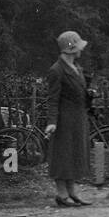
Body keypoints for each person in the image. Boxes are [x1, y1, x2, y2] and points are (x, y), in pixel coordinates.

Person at [44, 31, 92, 207]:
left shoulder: (77, 68)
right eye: (78, 46)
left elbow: (80, 92)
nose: (81, 50)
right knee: (62, 156)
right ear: (70, 48)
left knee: (73, 155)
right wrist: (51, 122)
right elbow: (53, 99)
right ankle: (62, 194)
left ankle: (72, 192)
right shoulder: (56, 70)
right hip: (63, 121)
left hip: (78, 118)